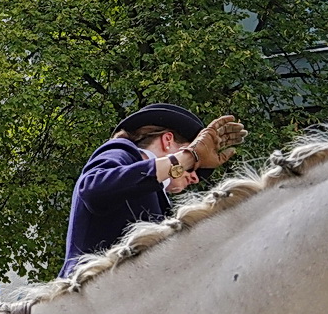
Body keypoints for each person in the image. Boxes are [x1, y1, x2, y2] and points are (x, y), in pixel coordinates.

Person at [59, 103, 247, 277]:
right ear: (167, 140)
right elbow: (94, 189)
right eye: (195, 166)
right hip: (82, 296)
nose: (196, 176)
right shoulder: (122, 152)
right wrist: (188, 158)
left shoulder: (158, 199)